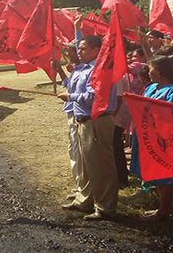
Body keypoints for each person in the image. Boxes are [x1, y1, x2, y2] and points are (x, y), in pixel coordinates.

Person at [57, 33, 119, 221]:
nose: (79, 51)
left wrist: (71, 97)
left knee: (101, 165)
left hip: (97, 120)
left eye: (83, 48)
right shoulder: (81, 67)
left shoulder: (100, 70)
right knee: (85, 164)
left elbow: (94, 96)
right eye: (79, 48)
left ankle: (106, 207)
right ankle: (84, 200)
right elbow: (71, 86)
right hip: (82, 119)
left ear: (96, 50)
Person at [130, 55, 173, 221]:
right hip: (147, 137)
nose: (149, 70)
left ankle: (164, 210)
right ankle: (162, 205)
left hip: (163, 140)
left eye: (151, 67)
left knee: (165, 175)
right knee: (154, 172)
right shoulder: (151, 87)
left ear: (160, 71)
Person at [56, 37, 83, 204]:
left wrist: (70, 96)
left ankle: (82, 187)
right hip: (72, 112)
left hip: (79, 113)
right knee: (73, 149)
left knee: (78, 151)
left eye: (72, 50)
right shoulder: (76, 69)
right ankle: (79, 184)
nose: (68, 53)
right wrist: (59, 71)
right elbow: (68, 84)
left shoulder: (85, 70)